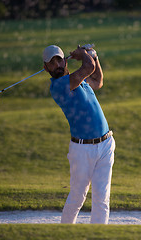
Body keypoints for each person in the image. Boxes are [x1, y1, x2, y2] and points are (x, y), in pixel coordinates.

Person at [42, 44, 115, 224]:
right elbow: (87, 68)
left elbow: (97, 80)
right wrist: (84, 54)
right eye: (52, 63)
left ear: (65, 60)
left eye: (59, 60)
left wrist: (94, 56)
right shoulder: (59, 86)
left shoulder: (79, 81)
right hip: (82, 150)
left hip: (106, 144)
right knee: (77, 197)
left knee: (102, 198)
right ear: (46, 68)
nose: (57, 65)